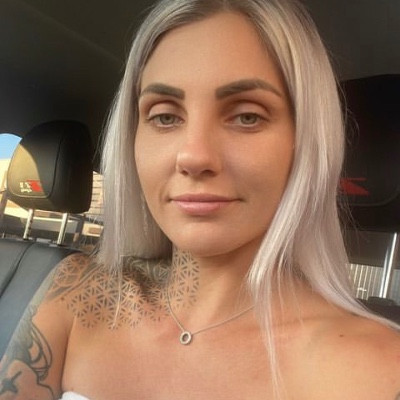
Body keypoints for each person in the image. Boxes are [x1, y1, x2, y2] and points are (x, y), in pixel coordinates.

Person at [1, 0, 400, 399]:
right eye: (165, 116)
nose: (193, 156)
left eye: (247, 116)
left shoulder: (376, 368)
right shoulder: (76, 292)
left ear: (305, 144)